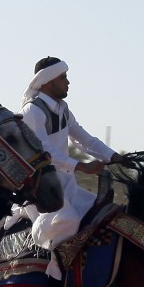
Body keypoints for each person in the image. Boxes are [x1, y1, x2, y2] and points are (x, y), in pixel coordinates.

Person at [19, 56, 121, 275]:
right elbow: (43, 153)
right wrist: (81, 166)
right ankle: (51, 267)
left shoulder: (63, 110)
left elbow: (85, 140)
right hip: (40, 189)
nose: (68, 82)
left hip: (66, 185)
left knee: (102, 212)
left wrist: (114, 157)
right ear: (47, 80)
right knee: (69, 219)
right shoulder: (32, 112)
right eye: (63, 77)